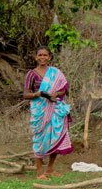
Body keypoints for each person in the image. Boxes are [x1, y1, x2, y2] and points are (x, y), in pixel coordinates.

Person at [23, 46, 72, 180]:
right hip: (39, 110)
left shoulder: (55, 72)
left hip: (54, 109)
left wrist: (56, 93)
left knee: (54, 137)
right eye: (40, 55)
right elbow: (25, 94)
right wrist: (38, 94)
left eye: (45, 55)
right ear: (36, 57)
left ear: (49, 57)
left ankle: (50, 169)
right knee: (39, 139)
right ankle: (39, 172)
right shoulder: (31, 74)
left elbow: (64, 89)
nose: (42, 57)